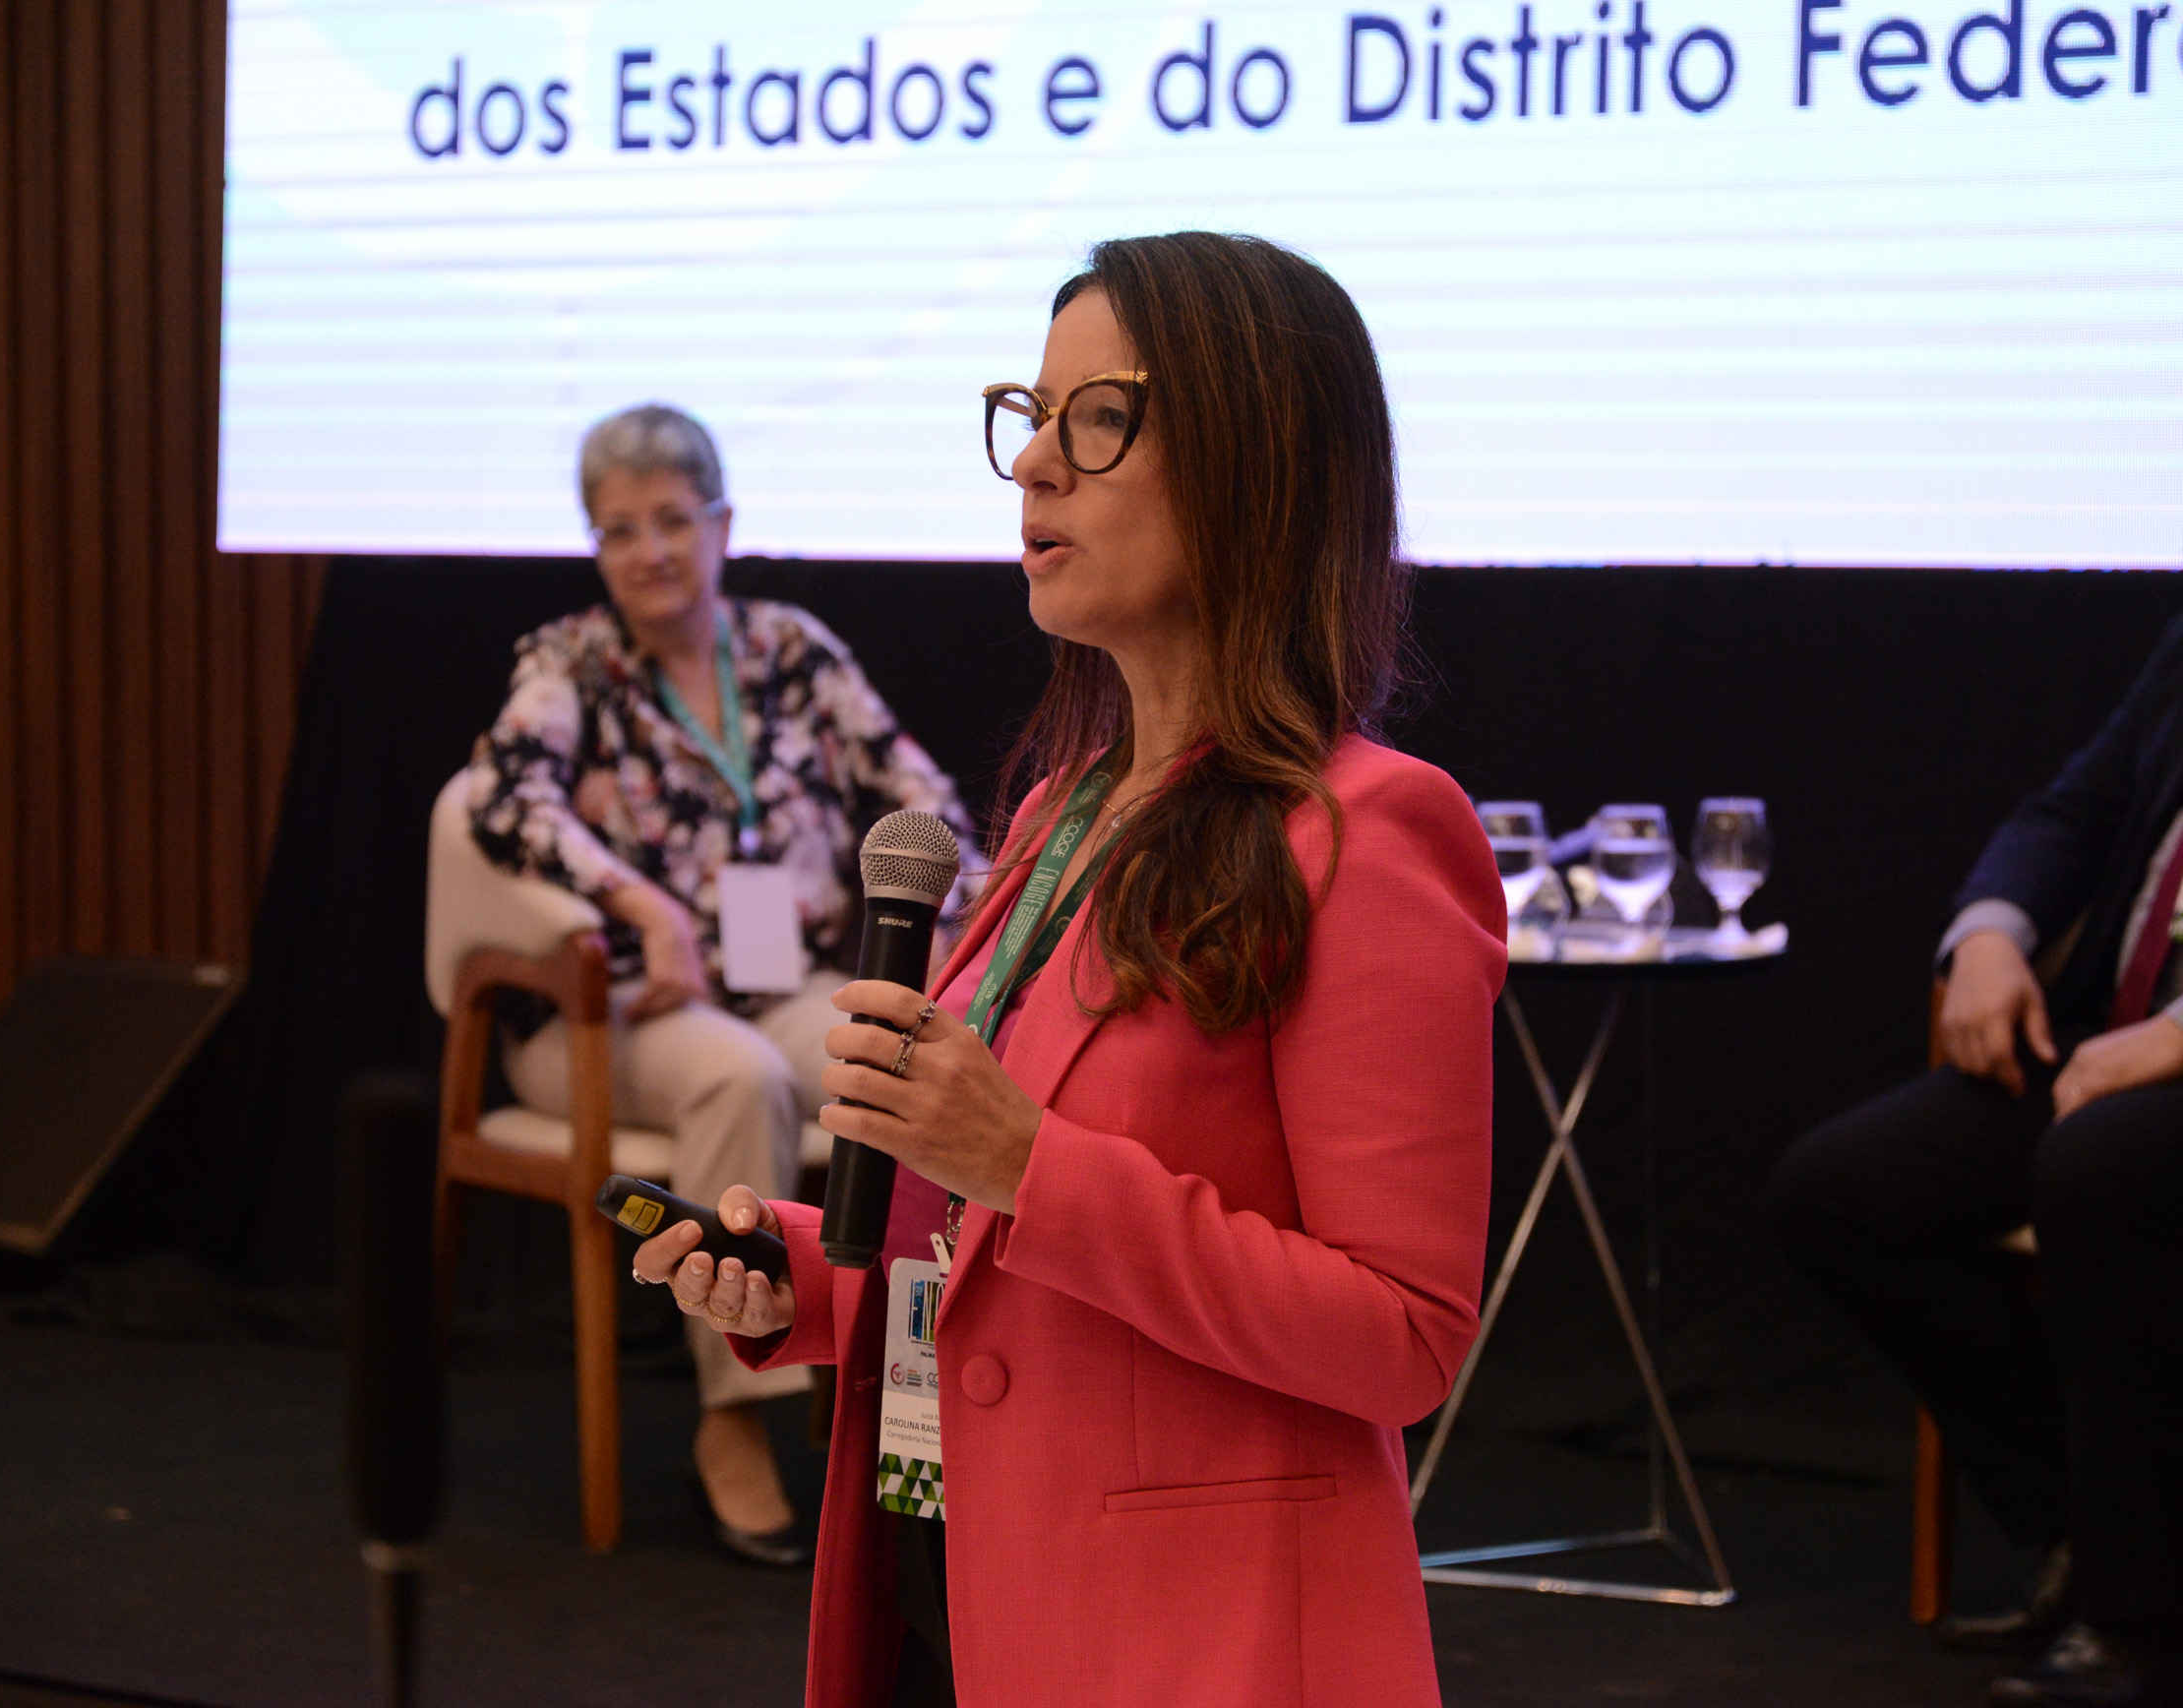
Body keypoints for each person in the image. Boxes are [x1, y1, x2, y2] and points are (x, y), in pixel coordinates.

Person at [631, 232, 1507, 1706]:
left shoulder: (1368, 834)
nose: (1035, 463)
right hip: (947, 1583)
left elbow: (1403, 1337)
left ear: (1256, 461)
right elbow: (990, 1251)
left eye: (1097, 419)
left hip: (1187, 1639)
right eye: (1029, 415)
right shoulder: (1065, 808)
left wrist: (1032, 1161)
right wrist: (801, 1281)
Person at [1770, 318, 2183, 1706]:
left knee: (2100, 1167)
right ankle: (2092, 1528)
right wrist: (1988, 937)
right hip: (2109, 1052)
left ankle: (2135, 1619)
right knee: (1840, 1191)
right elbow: (2079, 806)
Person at [466, 403, 972, 1566]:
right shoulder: (568, 663)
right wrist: (636, 901)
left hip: (777, 983)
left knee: (902, 1069)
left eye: (670, 520)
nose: (648, 549)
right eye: (617, 528)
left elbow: (918, 789)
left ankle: (915, 1390)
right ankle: (731, 1416)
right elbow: (502, 802)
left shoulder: (790, 647)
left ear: (722, 522)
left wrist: (961, 920)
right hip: (622, 1009)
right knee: (740, 1077)